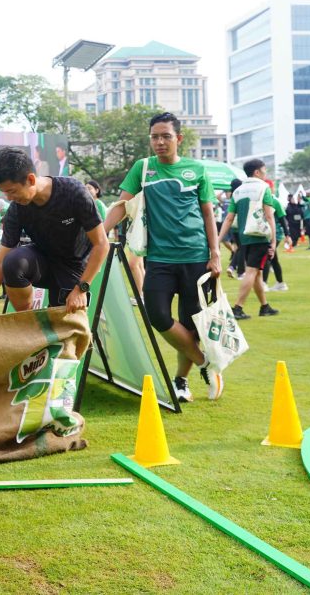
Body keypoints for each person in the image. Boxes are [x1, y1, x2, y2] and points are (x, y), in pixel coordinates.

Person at [101, 112, 222, 402]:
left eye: (166, 136)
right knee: (157, 315)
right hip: (159, 258)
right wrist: (99, 234)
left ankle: (181, 381)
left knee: (191, 323)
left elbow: (208, 213)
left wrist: (215, 253)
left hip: (195, 257)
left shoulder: (197, 169)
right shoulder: (143, 168)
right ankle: (205, 362)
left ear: (178, 138)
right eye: (155, 137)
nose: (160, 142)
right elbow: (121, 206)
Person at [0, 146, 108, 322]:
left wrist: (81, 289)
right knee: (12, 262)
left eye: (12, 191)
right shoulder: (16, 209)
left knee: (65, 330)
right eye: (5, 192)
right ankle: (28, 321)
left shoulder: (73, 192)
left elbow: (102, 244)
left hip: (74, 266)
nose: (9, 198)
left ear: (31, 179)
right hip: (42, 262)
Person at [216, 159, 279, 320]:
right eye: (264, 170)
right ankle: (238, 308)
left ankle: (264, 306)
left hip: (244, 237)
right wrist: (273, 241)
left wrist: (218, 240)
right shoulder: (263, 188)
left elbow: (229, 219)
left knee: (256, 272)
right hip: (260, 236)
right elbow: (269, 215)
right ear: (257, 172)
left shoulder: (238, 191)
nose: (265, 174)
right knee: (252, 271)